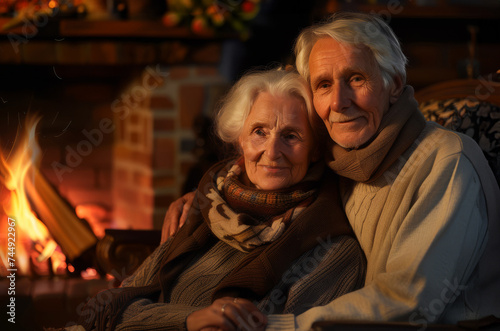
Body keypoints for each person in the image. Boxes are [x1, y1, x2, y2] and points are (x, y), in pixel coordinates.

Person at [163, 12, 500, 330]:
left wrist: (271, 327)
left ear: (394, 84)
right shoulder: (343, 151)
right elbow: (270, 162)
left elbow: (409, 302)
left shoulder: (446, 162)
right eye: (323, 84)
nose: (339, 101)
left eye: (356, 78)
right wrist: (206, 198)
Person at [76, 68, 366, 331]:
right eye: (259, 132)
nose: (272, 151)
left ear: (314, 150)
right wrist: (190, 320)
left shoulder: (332, 250)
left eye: (291, 136)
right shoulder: (202, 208)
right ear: (240, 138)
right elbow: (114, 307)